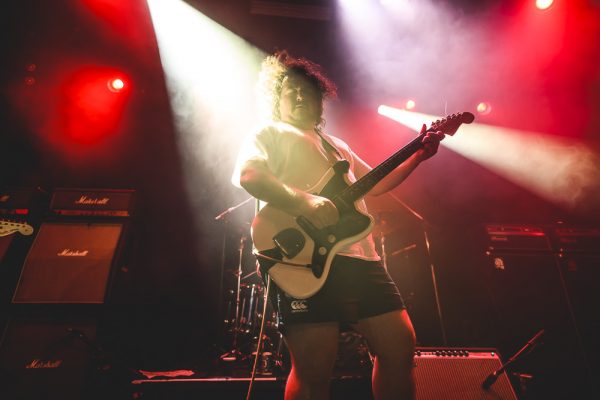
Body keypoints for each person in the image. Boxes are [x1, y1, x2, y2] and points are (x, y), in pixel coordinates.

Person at [233, 51, 444, 400]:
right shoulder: (268, 132)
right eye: (290, 90)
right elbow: (250, 176)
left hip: (362, 259)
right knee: (314, 368)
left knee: (399, 348)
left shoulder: (337, 146)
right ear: (276, 100)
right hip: (302, 259)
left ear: (320, 100)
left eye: (307, 90)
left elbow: (376, 183)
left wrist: (419, 155)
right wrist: (305, 202)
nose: (299, 95)